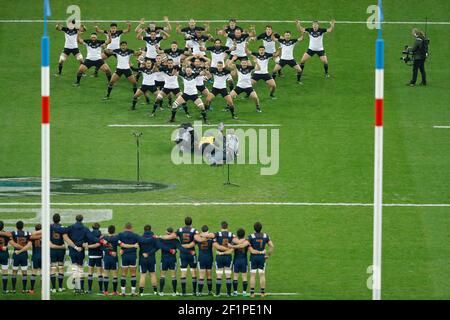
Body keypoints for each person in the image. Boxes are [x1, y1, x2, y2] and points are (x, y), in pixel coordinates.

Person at [62, 214, 102, 294]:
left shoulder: (70, 227)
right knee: (80, 269)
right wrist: (100, 240)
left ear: (76, 219)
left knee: (75, 267)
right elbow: (91, 238)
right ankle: (82, 288)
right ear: (82, 219)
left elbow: (65, 236)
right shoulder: (85, 228)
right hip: (81, 250)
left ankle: (76, 288)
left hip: (73, 249)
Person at [248, 222, 274, 298]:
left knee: (252, 275)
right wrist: (268, 255)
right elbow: (272, 246)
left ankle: (252, 293)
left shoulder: (251, 236)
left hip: (253, 257)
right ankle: (262, 293)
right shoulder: (265, 236)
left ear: (254, 228)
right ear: (261, 228)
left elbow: (248, 247)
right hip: (262, 257)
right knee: (262, 275)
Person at [213, 221, 236, 297]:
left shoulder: (217, 234)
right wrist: (228, 250)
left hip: (219, 256)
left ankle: (217, 293)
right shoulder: (232, 235)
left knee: (219, 275)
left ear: (221, 227)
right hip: (228, 257)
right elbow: (233, 248)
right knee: (228, 275)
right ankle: (229, 293)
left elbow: (216, 245)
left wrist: (221, 252)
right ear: (227, 227)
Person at [194, 225, 215, 296]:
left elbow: (193, 244)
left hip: (201, 258)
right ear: (208, 230)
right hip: (210, 258)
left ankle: (199, 292)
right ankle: (209, 291)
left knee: (201, 276)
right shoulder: (211, 238)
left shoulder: (198, 237)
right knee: (209, 276)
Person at [228, 228, 250, 296]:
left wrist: (232, 246)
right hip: (244, 260)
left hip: (236, 260)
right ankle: (244, 292)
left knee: (235, 277)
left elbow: (231, 250)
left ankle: (235, 292)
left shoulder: (234, 241)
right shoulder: (246, 241)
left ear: (237, 234)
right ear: (244, 234)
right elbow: (249, 249)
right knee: (244, 277)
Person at [50, 213, 67, 292]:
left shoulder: (50, 227)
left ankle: (53, 288)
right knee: (61, 267)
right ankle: (60, 287)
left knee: (53, 268)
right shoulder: (62, 227)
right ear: (59, 219)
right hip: (61, 250)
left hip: (53, 250)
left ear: (53, 219)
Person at [85, 223, 103, 294]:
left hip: (91, 255)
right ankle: (101, 289)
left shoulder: (89, 234)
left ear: (92, 227)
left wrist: (88, 246)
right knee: (99, 273)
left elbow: (86, 243)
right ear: (99, 227)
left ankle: (89, 289)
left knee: (90, 273)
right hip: (99, 255)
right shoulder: (101, 235)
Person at [101, 225, 120, 295]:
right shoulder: (117, 238)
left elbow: (101, 247)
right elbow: (121, 244)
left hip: (106, 258)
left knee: (106, 274)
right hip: (114, 259)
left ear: (108, 230)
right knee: (115, 275)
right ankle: (115, 291)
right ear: (114, 231)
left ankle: (105, 291)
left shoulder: (104, 238)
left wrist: (109, 251)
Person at [0, 221, 10, 293]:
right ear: (3, 227)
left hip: (3, 252)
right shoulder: (7, 234)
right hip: (4, 254)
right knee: (5, 272)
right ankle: (4, 289)